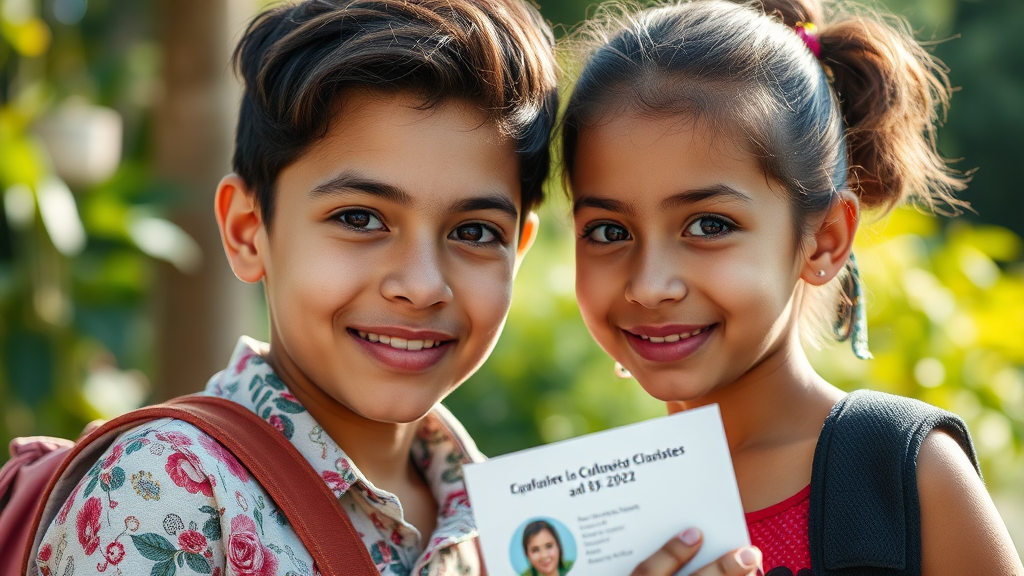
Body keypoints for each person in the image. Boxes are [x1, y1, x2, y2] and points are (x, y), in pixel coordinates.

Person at [33, 1, 558, 574]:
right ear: (248, 231)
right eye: (360, 219)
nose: (422, 285)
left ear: (518, 251)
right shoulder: (166, 489)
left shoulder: (505, 524)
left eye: (475, 232)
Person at [561, 0, 1024, 575]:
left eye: (710, 225)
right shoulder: (583, 517)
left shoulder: (907, 475)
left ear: (825, 240)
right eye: (608, 231)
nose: (649, 286)